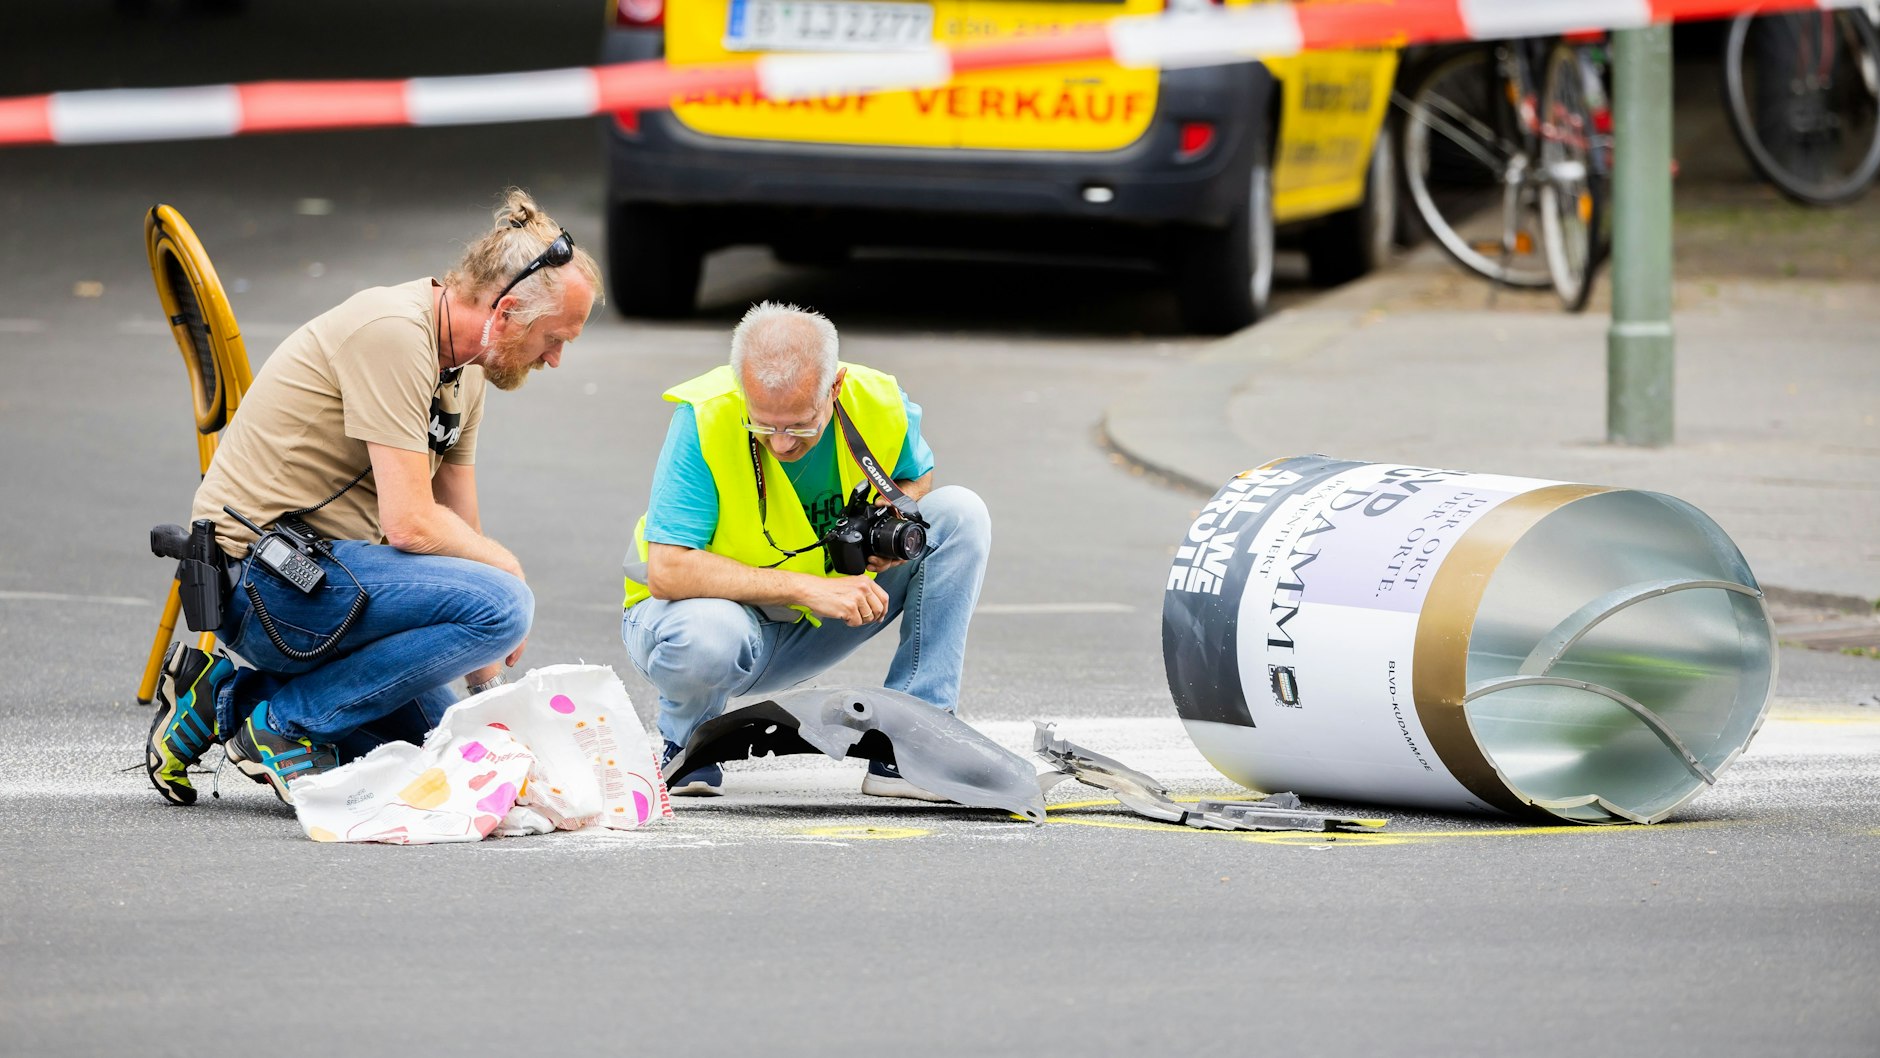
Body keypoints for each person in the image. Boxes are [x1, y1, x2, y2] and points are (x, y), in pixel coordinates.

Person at [144, 188, 601, 807]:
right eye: (556, 336)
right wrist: (508, 579)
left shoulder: (465, 367)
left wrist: (492, 701)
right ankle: (285, 727)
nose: (556, 358)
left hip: (326, 584)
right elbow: (412, 526)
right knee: (506, 602)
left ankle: (222, 699)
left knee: (442, 751)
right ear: (510, 309)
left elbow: (460, 531)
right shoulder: (393, 333)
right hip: (262, 581)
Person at [620, 302, 991, 798]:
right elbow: (667, 571)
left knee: (961, 514)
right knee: (708, 635)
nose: (779, 443)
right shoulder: (704, 417)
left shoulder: (877, 399)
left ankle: (914, 748)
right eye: (763, 425)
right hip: (708, 629)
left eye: (798, 425)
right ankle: (685, 746)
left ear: (833, 388)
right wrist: (811, 588)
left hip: (812, 622)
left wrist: (889, 518)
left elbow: (914, 474)